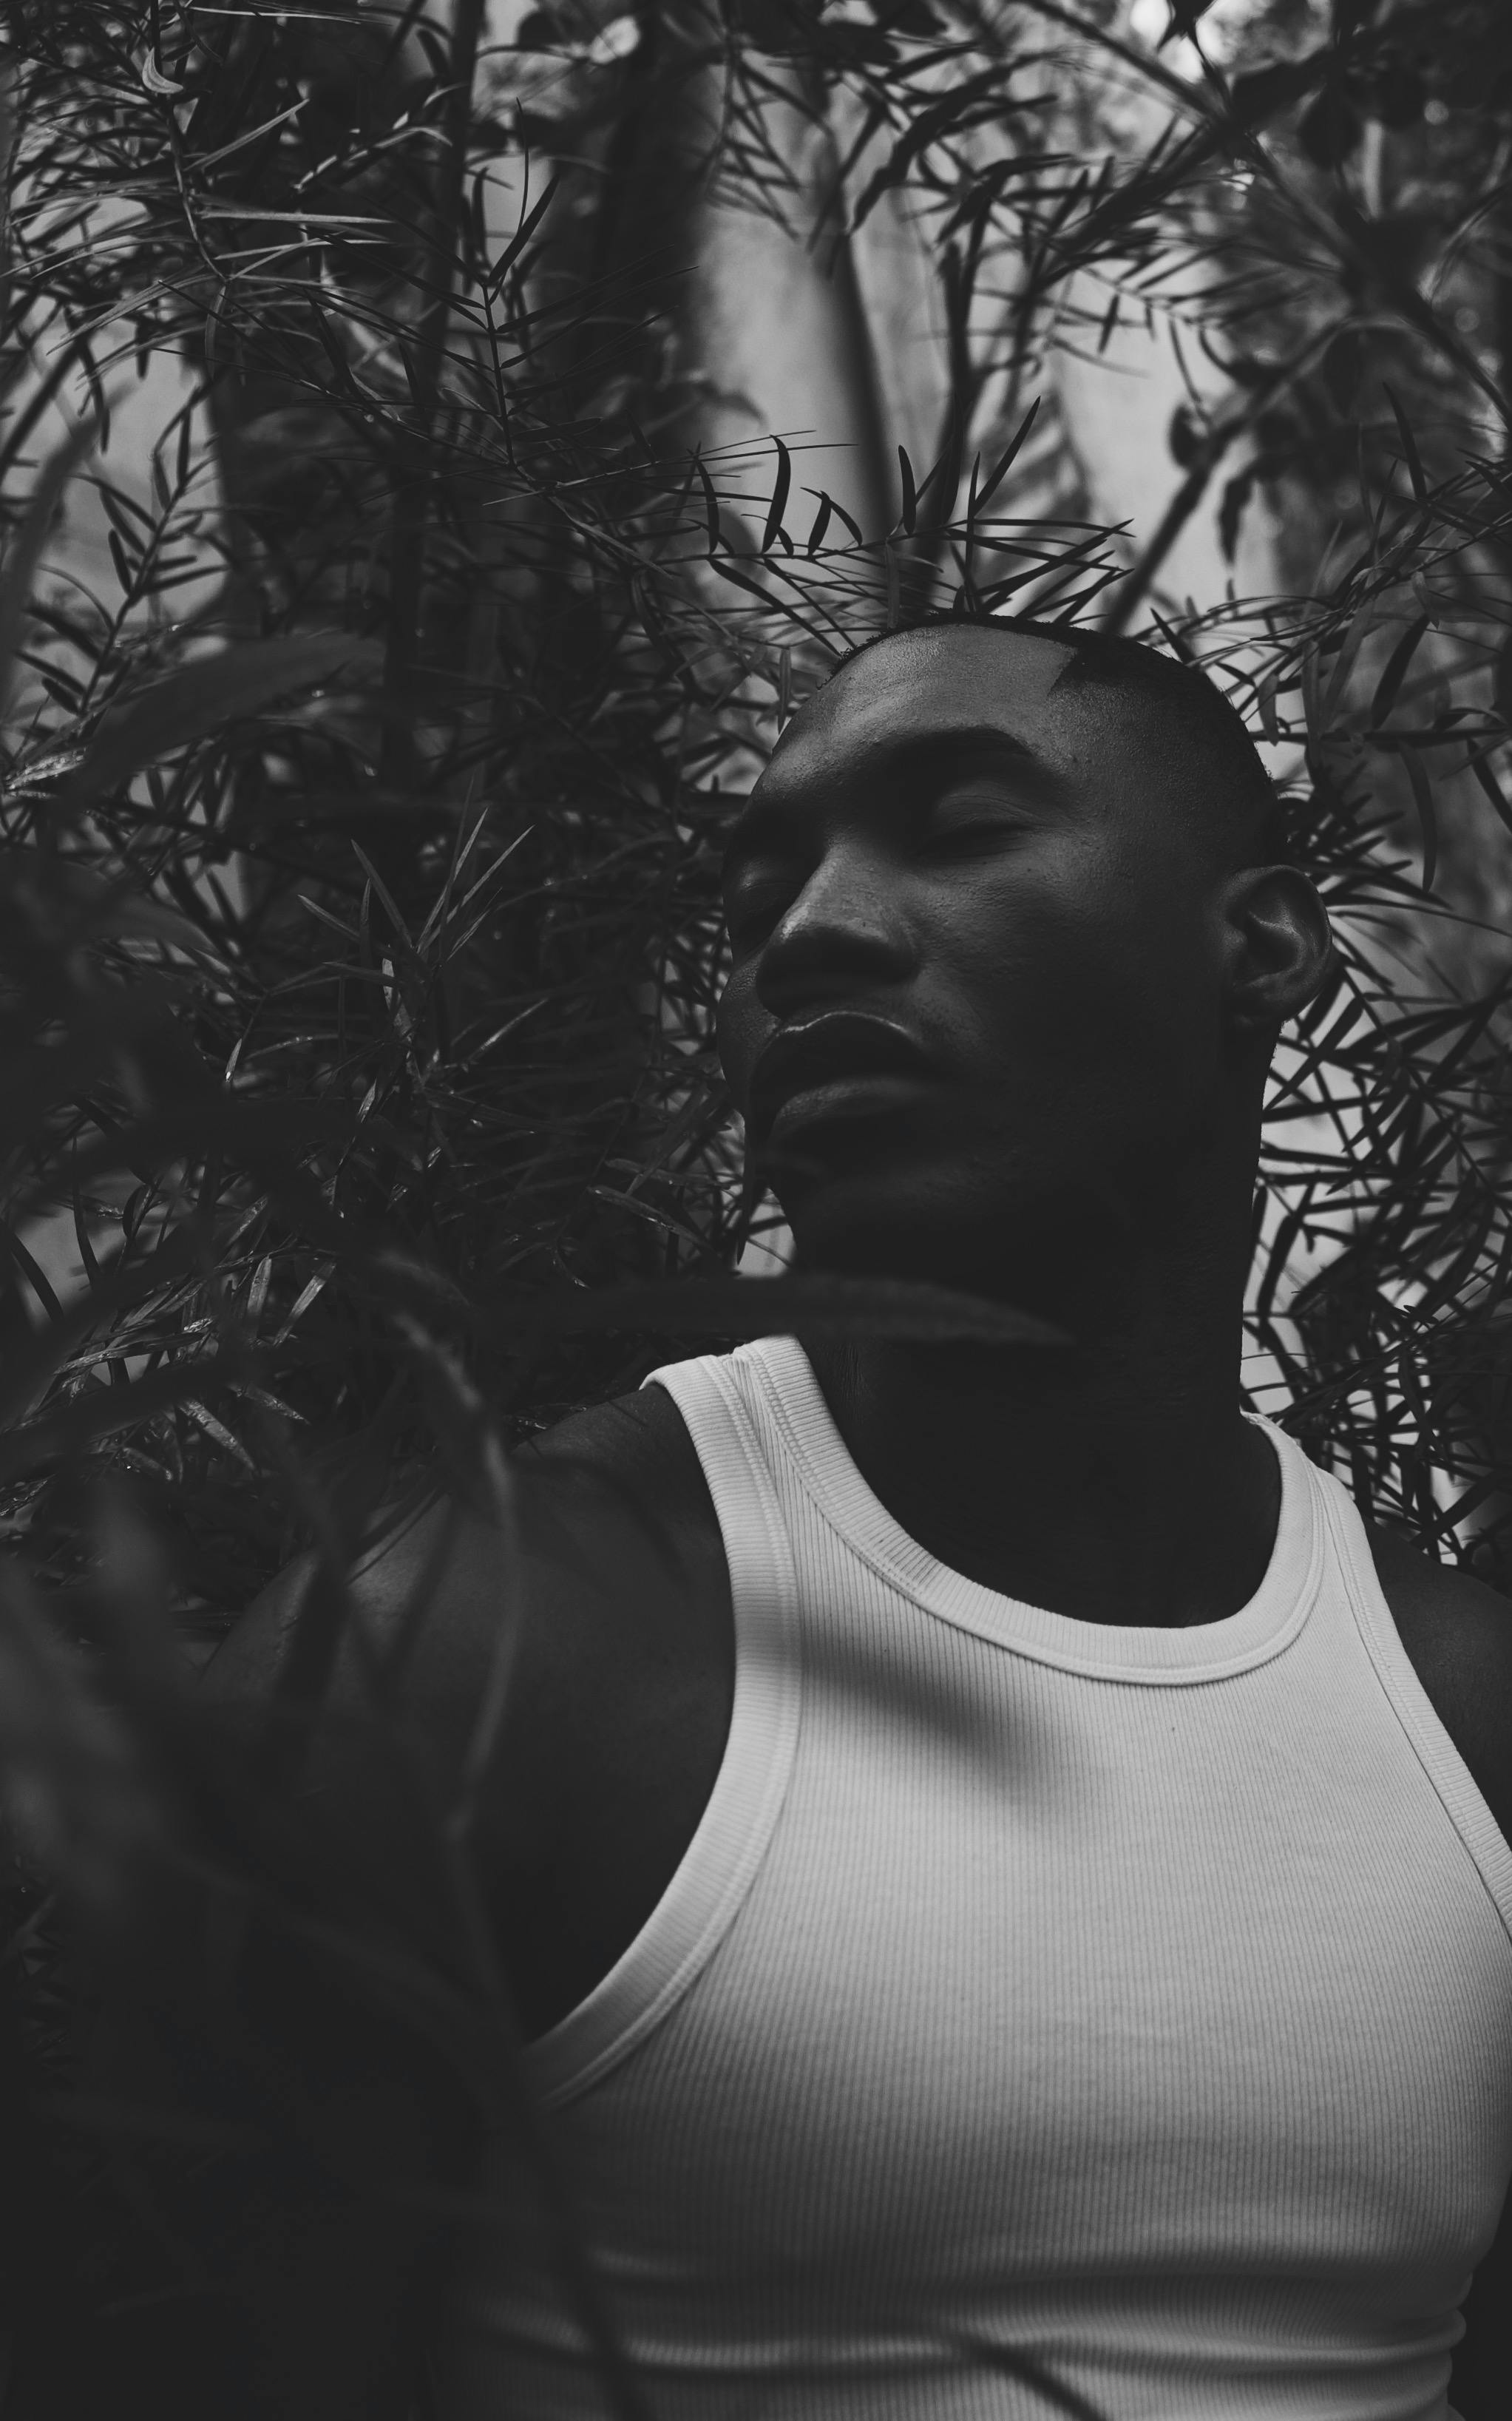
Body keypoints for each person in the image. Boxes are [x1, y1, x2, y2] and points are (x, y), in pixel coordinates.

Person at [203, 620, 1512, 2420]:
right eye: (755, 901)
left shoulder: (1468, 1713)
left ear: (1267, 944)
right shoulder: (468, 1661)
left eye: (961, 825)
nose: (808, 933)